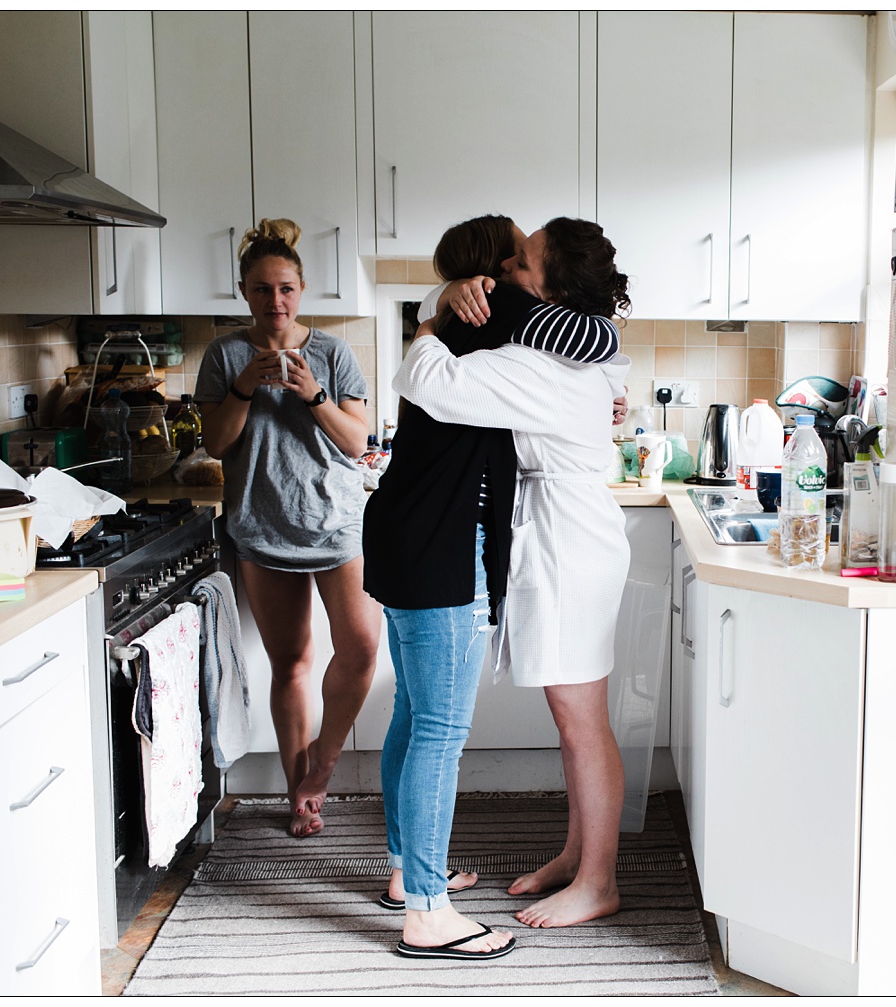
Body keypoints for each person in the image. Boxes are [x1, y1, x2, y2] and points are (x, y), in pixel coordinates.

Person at [363, 214, 621, 959]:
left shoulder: (528, 348)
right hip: (532, 539)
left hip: (568, 542)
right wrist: (441, 303)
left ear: (548, 290)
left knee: (578, 719)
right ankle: (555, 864)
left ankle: (593, 877)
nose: (511, 266)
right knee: (458, 717)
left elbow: (425, 374)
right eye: (508, 257)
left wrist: (431, 312)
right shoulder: (514, 336)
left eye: (525, 259)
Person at [194, 218, 379, 839]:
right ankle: (298, 793)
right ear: (244, 292)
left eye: (287, 289)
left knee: (360, 649)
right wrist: (244, 388)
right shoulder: (223, 355)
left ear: (302, 290)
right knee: (292, 663)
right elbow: (217, 443)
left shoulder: (331, 352)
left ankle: (323, 762)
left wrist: (314, 393)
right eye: (262, 289)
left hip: (335, 524)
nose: (275, 301)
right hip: (261, 525)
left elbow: (357, 442)